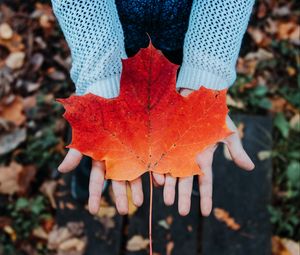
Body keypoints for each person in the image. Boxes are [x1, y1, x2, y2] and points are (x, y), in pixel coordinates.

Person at [52, 0, 255, 217]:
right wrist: (101, 76)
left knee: (184, 128)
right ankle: (95, 170)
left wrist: (206, 76)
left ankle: (189, 167)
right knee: (101, 140)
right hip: (108, 36)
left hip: (191, 37)